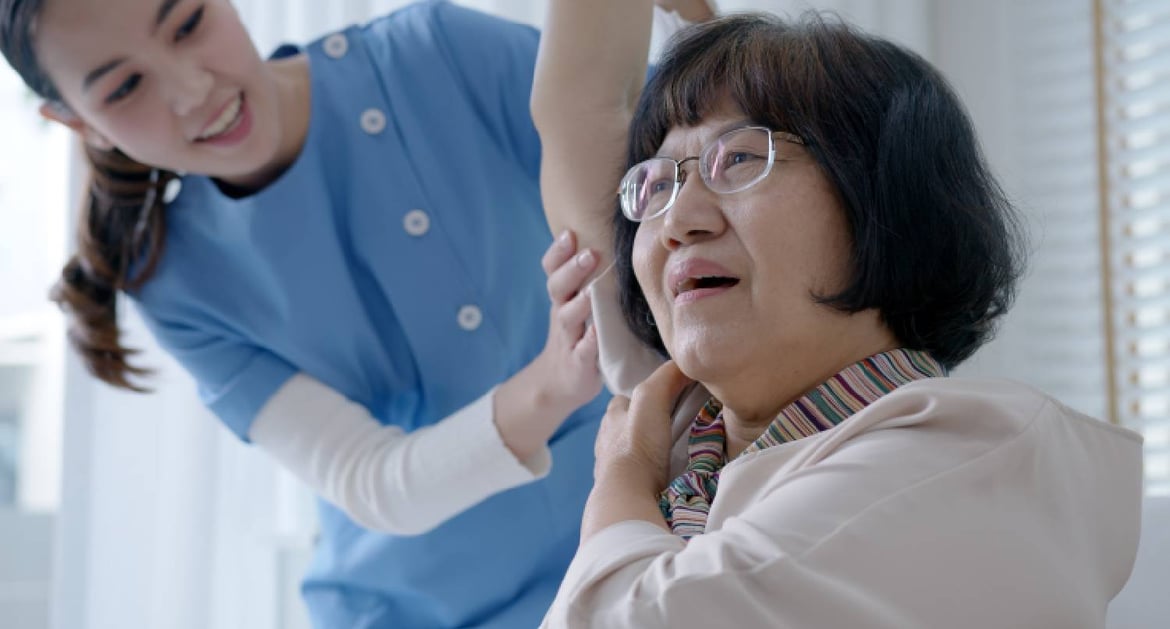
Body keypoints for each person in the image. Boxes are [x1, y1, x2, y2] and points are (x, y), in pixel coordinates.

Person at [0, 0, 680, 626]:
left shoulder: (435, 54)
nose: (190, 90)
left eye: (186, 25)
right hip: (418, 608)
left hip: (644, 530)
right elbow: (376, 482)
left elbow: (680, 145)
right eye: (124, 88)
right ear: (76, 122)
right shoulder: (177, 285)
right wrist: (556, 381)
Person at [531, 2, 1145, 627]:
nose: (676, 221)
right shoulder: (686, 424)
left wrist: (623, 476)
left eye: (740, 158)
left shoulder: (967, 458)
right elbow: (574, 114)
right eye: (657, 184)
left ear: (883, 198)